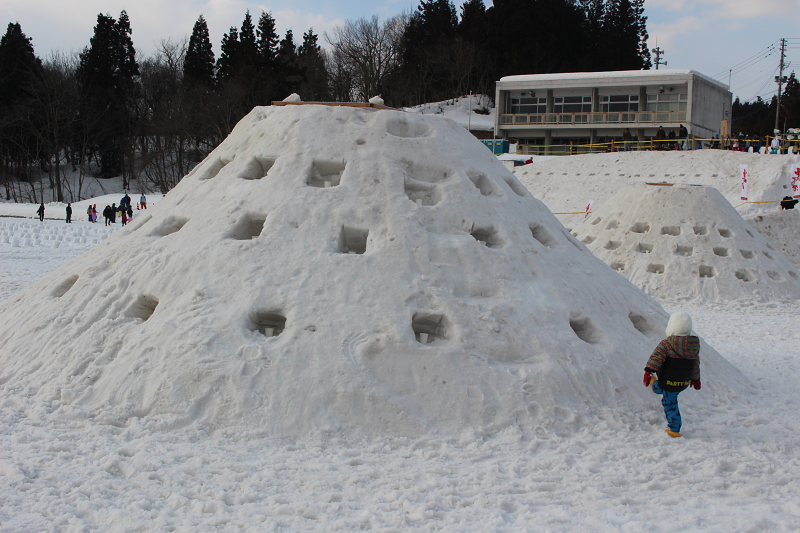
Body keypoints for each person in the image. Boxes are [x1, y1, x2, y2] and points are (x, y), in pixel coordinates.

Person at [643, 311, 701, 438]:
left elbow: (656, 357)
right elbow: (696, 363)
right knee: (667, 393)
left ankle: (675, 428)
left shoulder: (667, 344)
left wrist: (648, 371)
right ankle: (655, 384)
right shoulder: (693, 347)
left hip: (668, 381)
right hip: (684, 381)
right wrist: (696, 379)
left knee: (669, 402)